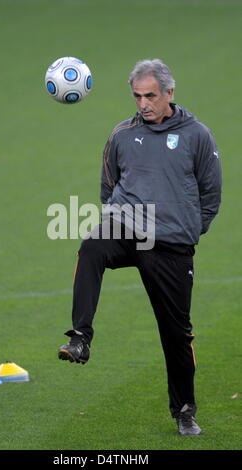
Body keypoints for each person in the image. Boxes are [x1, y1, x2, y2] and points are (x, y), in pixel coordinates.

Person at [58, 59, 222, 436]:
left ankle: (183, 410)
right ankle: (81, 337)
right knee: (92, 247)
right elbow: (109, 185)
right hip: (127, 228)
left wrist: (189, 229)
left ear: (169, 93)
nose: (143, 103)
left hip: (171, 245)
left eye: (150, 96)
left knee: (176, 334)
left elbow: (210, 193)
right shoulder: (121, 135)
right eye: (137, 96)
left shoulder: (198, 136)